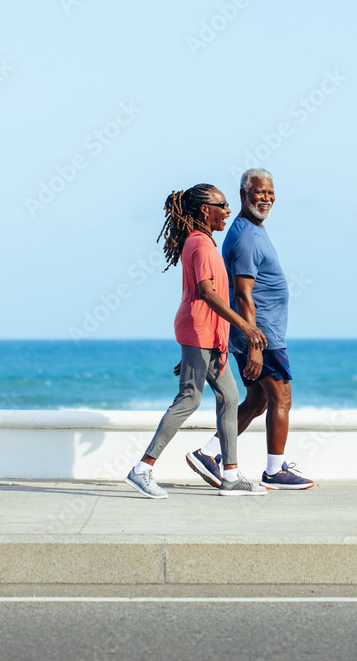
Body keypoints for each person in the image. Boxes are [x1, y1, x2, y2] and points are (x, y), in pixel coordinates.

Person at [125, 184, 268, 498]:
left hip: (208, 335)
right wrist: (245, 326)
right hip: (200, 330)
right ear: (205, 209)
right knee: (190, 398)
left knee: (230, 397)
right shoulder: (201, 244)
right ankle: (142, 468)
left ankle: (230, 475)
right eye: (223, 204)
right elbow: (206, 292)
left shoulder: (205, 243)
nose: (228, 211)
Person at [185, 168, 314, 490]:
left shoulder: (253, 229)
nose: (266, 198)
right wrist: (255, 344)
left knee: (258, 399)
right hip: (261, 335)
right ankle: (275, 470)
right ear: (244, 194)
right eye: (259, 192)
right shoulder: (244, 237)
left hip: (262, 333)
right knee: (281, 397)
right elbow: (242, 295)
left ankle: (208, 452)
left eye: (270, 193)